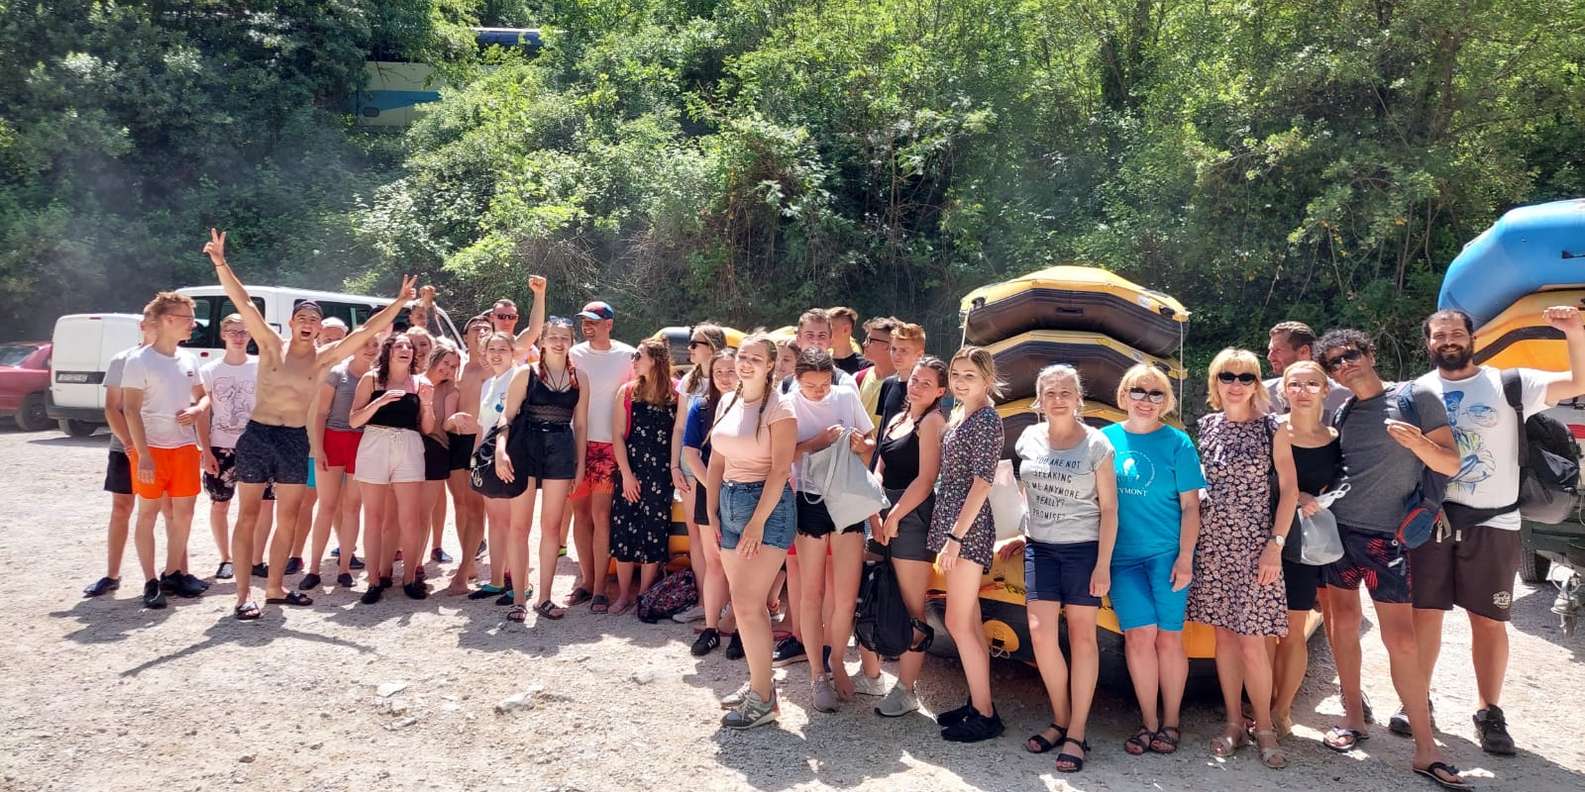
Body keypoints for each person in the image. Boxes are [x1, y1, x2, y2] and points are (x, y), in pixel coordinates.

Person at [204, 229, 412, 619]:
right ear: (291, 322)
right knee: (248, 514)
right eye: (302, 317)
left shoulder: (324, 358)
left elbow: (367, 331)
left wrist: (399, 302)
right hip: (259, 434)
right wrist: (220, 262)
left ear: (318, 328)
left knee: (289, 516)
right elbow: (243, 301)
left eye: (313, 319)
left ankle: (276, 588)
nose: (308, 322)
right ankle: (243, 595)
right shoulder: (270, 344)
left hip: (294, 439)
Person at [1407, 306, 1585, 756]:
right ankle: (1418, 702)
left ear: (1472, 338)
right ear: (1428, 343)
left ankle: (1489, 711)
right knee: (1424, 615)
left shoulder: (1510, 383)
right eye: (1439, 335)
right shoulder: (1418, 390)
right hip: (1434, 520)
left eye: (1456, 333)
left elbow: (1577, 382)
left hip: (1494, 520)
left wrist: (1574, 331)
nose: (1448, 340)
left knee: (1488, 620)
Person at [1315, 329, 1464, 789]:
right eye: (1334, 362)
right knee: (1342, 624)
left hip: (1388, 538)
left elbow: (1450, 463)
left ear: (1370, 352)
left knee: (1401, 640)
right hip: (1339, 532)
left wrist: (1418, 444)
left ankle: (1426, 748)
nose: (1345, 364)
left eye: (1351, 354)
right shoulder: (1343, 410)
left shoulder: (1415, 397)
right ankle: (1354, 718)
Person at [993, 364, 1116, 772]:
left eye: (1066, 392)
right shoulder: (1028, 437)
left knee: (1082, 639)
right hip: (1040, 549)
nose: (1058, 399)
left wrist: (1103, 564)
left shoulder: (1097, 444)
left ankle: (1077, 733)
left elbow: (1109, 509)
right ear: (1039, 400)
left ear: (1079, 398)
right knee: (1042, 636)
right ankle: (1061, 719)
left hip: (1083, 550)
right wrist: (1022, 531)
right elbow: (1027, 493)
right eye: (1050, 392)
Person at [1187, 349, 1296, 769]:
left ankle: (1264, 726)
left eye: (1245, 377)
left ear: (1256, 384)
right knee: (1225, 641)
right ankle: (1234, 722)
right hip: (1213, 547)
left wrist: (1275, 544)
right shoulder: (1207, 426)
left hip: (1255, 548)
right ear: (1215, 382)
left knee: (1253, 642)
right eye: (1227, 376)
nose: (1236, 384)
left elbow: (1289, 490)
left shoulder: (1273, 427)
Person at [1103, 364, 1205, 758]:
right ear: (1124, 395)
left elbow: (1191, 507)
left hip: (1167, 555)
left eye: (1155, 393)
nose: (1146, 400)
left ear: (1166, 401)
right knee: (1138, 636)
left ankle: (1171, 721)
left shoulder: (1178, 443)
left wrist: (1185, 557)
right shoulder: (1106, 440)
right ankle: (1148, 721)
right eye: (1138, 391)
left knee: (1169, 637)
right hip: (1122, 558)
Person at [707, 333, 798, 729]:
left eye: (755, 359)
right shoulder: (727, 400)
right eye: (743, 356)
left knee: (747, 604)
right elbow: (716, 460)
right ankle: (760, 685)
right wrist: (711, 509)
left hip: (767, 510)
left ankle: (762, 699)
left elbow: (780, 470)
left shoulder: (781, 408)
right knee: (746, 605)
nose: (745, 364)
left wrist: (757, 522)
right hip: (728, 504)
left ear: (771, 365)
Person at [787, 347, 877, 712]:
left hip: (846, 496)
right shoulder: (788, 403)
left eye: (824, 384)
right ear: (797, 380)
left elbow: (870, 442)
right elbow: (782, 455)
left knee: (845, 596)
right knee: (812, 593)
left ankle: (836, 658)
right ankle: (816, 674)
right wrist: (816, 442)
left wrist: (860, 444)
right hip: (809, 499)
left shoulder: (845, 395)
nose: (819, 391)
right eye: (811, 386)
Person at [929, 346, 1006, 743]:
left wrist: (955, 537)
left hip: (967, 527)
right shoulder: (964, 414)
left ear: (987, 380)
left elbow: (983, 482)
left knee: (958, 622)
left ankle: (986, 714)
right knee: (969, 620)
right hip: (955, 519)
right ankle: (979, 703)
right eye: (956, 374)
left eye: (969, 376)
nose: (960, 382)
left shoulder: (987, 419)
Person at [867, 356, 948, 717]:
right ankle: (872, 674)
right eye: (915, 379)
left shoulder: (932, 423)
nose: (916, 387)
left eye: (926, 383)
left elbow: (926, 479)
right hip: (883, 510)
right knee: (876, 593)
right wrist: (875, 510)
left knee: (913, 608)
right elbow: (879, 468)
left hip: (912, 517)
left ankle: (906, 688)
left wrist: (895, 515)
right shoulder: (898, 418)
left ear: (940, 392)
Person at [493, 317, 588, 621]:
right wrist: (500, 451)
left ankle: (544, 598)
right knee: (519, 526)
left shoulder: (579, 378)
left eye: (565, 337)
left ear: (571, 342)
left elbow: (581, 425)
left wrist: (580, 465)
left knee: (552, 527)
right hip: (526, 447)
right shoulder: (526, 373)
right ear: (543, 341)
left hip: (561, 449)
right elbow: (506, 416)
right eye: (554, 337)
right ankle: (519, 599)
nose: (559, 342)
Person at [121, 292, 211, 608]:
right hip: (151, 450)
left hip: (184, 447)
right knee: (148, 513)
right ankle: (150, 581)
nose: (193, 325)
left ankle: (173, 573)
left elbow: (204, 396)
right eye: (189, 319)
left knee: (184, 513)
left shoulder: (189, 359)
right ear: (169, 320)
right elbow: (130, 410)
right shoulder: (139, 360)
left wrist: (197, 410)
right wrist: (143, 455)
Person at [1271, 360, 1343, 735]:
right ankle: (1260, 704)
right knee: (1261, 630)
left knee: (1293, 630)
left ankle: (1282, 710)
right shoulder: (1270, 430)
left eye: (1312, 384)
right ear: (1283, 391)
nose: (1302, 391)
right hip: (1263, 537)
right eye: (1294, 384)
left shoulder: (1336, 439)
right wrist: (1296, 495)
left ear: (1325, 390)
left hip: (1306, 546)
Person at [84, 319, 177, 598]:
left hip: (162, 446)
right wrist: (129, 443)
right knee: (122, 508)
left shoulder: (174, 358)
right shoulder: (123, 359)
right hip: (125, 448)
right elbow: (112, 408)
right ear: (143, 326)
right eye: (153, 324)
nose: (157, 329)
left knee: (168, 510)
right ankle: (112, 575)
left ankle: (174, 573)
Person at [349, 333, 435, 602]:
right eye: (399, 345)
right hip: (375, 443)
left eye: (409, 346)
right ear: (388, 351)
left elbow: (428, 428)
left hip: (409, 445)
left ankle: (409, 578)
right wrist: (379, 402)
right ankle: (374, 581)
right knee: (373, 517)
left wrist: (427, 404)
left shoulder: (421, 383)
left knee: (410, 518)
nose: (405, 349)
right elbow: (354, 420)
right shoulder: (371, 379)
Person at [566, 301, 635, 613]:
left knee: (601, 515)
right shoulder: (573, 354)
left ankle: (599, 589)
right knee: (580, 514)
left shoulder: (627, 355)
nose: (587, 326)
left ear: (609, 324)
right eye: (585, 321)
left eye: (594, 321)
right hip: (577, 443)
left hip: (609, 444)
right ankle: (586, 580)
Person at [198, 313, 275, 584]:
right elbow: (203, 413)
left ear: (251, 335)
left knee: (265, 504)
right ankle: (226, 558)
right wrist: (206, 450)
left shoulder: (261, 366)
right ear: (223, 334)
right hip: (222, 446)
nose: (238, 337)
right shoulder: (209, 370)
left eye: (243, 331)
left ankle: (256, 560)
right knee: (221, 504)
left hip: (258, 446)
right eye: (232, 331)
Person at [303, 335, 378, 589]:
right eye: (366, 344)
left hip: (362, 444)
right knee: (326, 506)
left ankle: (345, 568)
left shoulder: (377, 377)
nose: (370, 349)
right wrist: (318, 449)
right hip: (333, 440)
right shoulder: (338, 373)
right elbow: (321, 413)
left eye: (375, 345)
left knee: (353, 507)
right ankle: (313, 569)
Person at [609, 340, 678, 614]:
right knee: (623, 529)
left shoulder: (675, 393)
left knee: (654, 531)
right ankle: (623, 594)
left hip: (661, 474)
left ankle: (644, 595)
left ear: (656, 360)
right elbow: (617, 435)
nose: (634, 360)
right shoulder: (627, 391)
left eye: (639, 355)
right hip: (631, 469)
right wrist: (626, 474)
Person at [669, 323, 729, 623]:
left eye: (695, 343)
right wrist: (674, 466)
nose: (689, 348)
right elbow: (679, 427)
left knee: (725, 535)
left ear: (712, 347)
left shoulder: (731, 380)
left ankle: (727, 604)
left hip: (725, 466)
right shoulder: (689, 382)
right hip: (690, 465)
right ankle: (706, 602)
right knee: (697, 534)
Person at [682, 349, 737, 655]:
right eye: (719, 372)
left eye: (731, 371)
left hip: (746, 491)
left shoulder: (756, 408)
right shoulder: (701, 408)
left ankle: (741, 628)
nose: (725, 378)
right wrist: (713, 487)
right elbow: (691, 452)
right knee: (714, 561)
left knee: (742, 565)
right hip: (708, 491)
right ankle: (711, 627)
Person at [468, 331, 521, 601]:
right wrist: (475, 460)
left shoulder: (519, 378)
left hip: (512, 457)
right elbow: (482, 426)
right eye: (492, 349)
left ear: (513, 352)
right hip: (488, 460)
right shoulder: (488, 384)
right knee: (496, 520)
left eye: (502, 349)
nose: (497, 354)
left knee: (512, 522)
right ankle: (497, 579)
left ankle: (517, 580)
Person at [444, 314, 493, 590]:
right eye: (476, 328)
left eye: (486, 327)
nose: (481, 330)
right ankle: (468, 559)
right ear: (465, 336)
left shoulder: (495, 366)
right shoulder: (456, 365)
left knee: (476, 506)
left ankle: (465, 568)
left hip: (480, 441)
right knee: (460, 504)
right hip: (456, 440)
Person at [419, 340, 463, 567]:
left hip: (436, 448)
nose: (448, 369)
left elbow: (446, 423)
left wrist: (455, 420)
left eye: (453, 366)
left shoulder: (450, 389)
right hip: (408, 447)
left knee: (424, 511)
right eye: (446, 363)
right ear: (434, 359)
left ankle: (418, 564)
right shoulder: (413, 381)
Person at [1265, 321, 1349, 419]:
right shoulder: (1263, 395)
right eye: (1270, 350)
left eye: (1277, 350)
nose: (1270, 357)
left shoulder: (1344, 397)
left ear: (1304, 351)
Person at [854, 316, 897, 428]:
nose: (864, 344)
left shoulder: (906, 385)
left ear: (888, 346)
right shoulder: (858, 378)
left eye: (870, 340)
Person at [827, 306, 869, 376]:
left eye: (830, 329)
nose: (826, 333)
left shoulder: (865, 366)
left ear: (846, 330)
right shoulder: (822, 364)